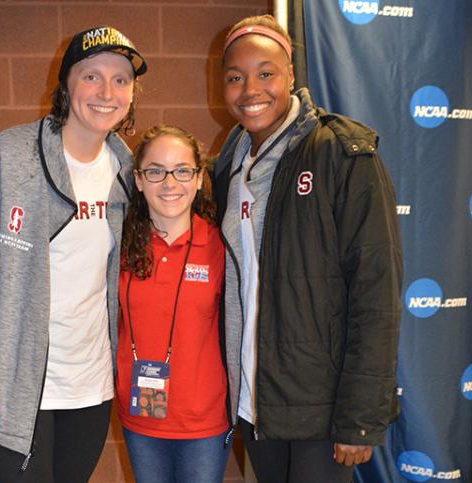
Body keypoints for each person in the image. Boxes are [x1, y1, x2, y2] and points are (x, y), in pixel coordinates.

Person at [0, 26, 147, 482]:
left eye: (120, 80)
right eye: (91, 76)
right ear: (66, 85)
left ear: (132, 94)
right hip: (18, 388)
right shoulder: (9, 156)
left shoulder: (128, 171)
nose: (106, 92)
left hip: (90, 386)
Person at [214, 14, 402, 483]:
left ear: (291, 75)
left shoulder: (340, 152)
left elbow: (376, 291)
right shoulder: (228, 166)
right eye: (235, 77)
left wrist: (360, 418)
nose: (250, 89)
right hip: (256, 403)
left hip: (322, 408)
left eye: (266, 73)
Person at [116, 125, 231, 483]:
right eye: (155, 171)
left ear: (198, 179)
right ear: (137, 180)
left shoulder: (221, 246)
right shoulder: (116, 246)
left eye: (182, 170)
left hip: (204, 421)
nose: (169, 183)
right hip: (140, 416)